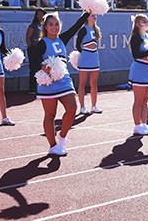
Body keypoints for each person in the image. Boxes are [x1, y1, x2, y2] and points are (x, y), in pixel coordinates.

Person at [30, 10, 90, 155]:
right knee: (50, 115)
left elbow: (76, 26)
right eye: (50, 24)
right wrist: (44, 67)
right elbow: (33, 63)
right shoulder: (41, 44)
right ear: (45, 27)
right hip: (48, 83)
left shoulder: (62, 39)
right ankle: (52, 146)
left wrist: (87, 13)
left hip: (64, 80)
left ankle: (62, 136)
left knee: (72, 108)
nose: (54, 27)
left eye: (56, 24)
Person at [128, 14, 148, 134]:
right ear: (138, 24)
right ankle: (137, 125)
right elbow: (137, 54)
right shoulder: (135, 37)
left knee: (145, 100)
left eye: (147, 21)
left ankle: (144, 124)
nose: (147, 23)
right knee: (138, 100)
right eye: (144, 21)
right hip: (139, 70)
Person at [75, 13, 102, 114]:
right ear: (86, 17)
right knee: (82, 83)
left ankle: (94, 106)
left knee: (94, 83)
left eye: (95, 15)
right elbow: (78, 45)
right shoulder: (83, 29)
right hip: (85, 58)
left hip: (94, 57)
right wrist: (84, 54)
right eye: (92, 15)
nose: (94, 17)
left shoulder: (96, 30)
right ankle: (82, 107)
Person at [25, 8, 46, 94]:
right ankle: (32, 87)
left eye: (41, 14)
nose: (39, 16)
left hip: (43, 49)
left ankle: (41, 85)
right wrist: (30, 47)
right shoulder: (33, 25)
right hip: (34, 48)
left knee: (42, 67)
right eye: (38, 14)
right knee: (33, 67)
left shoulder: (46, 25)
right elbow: (28, 36)